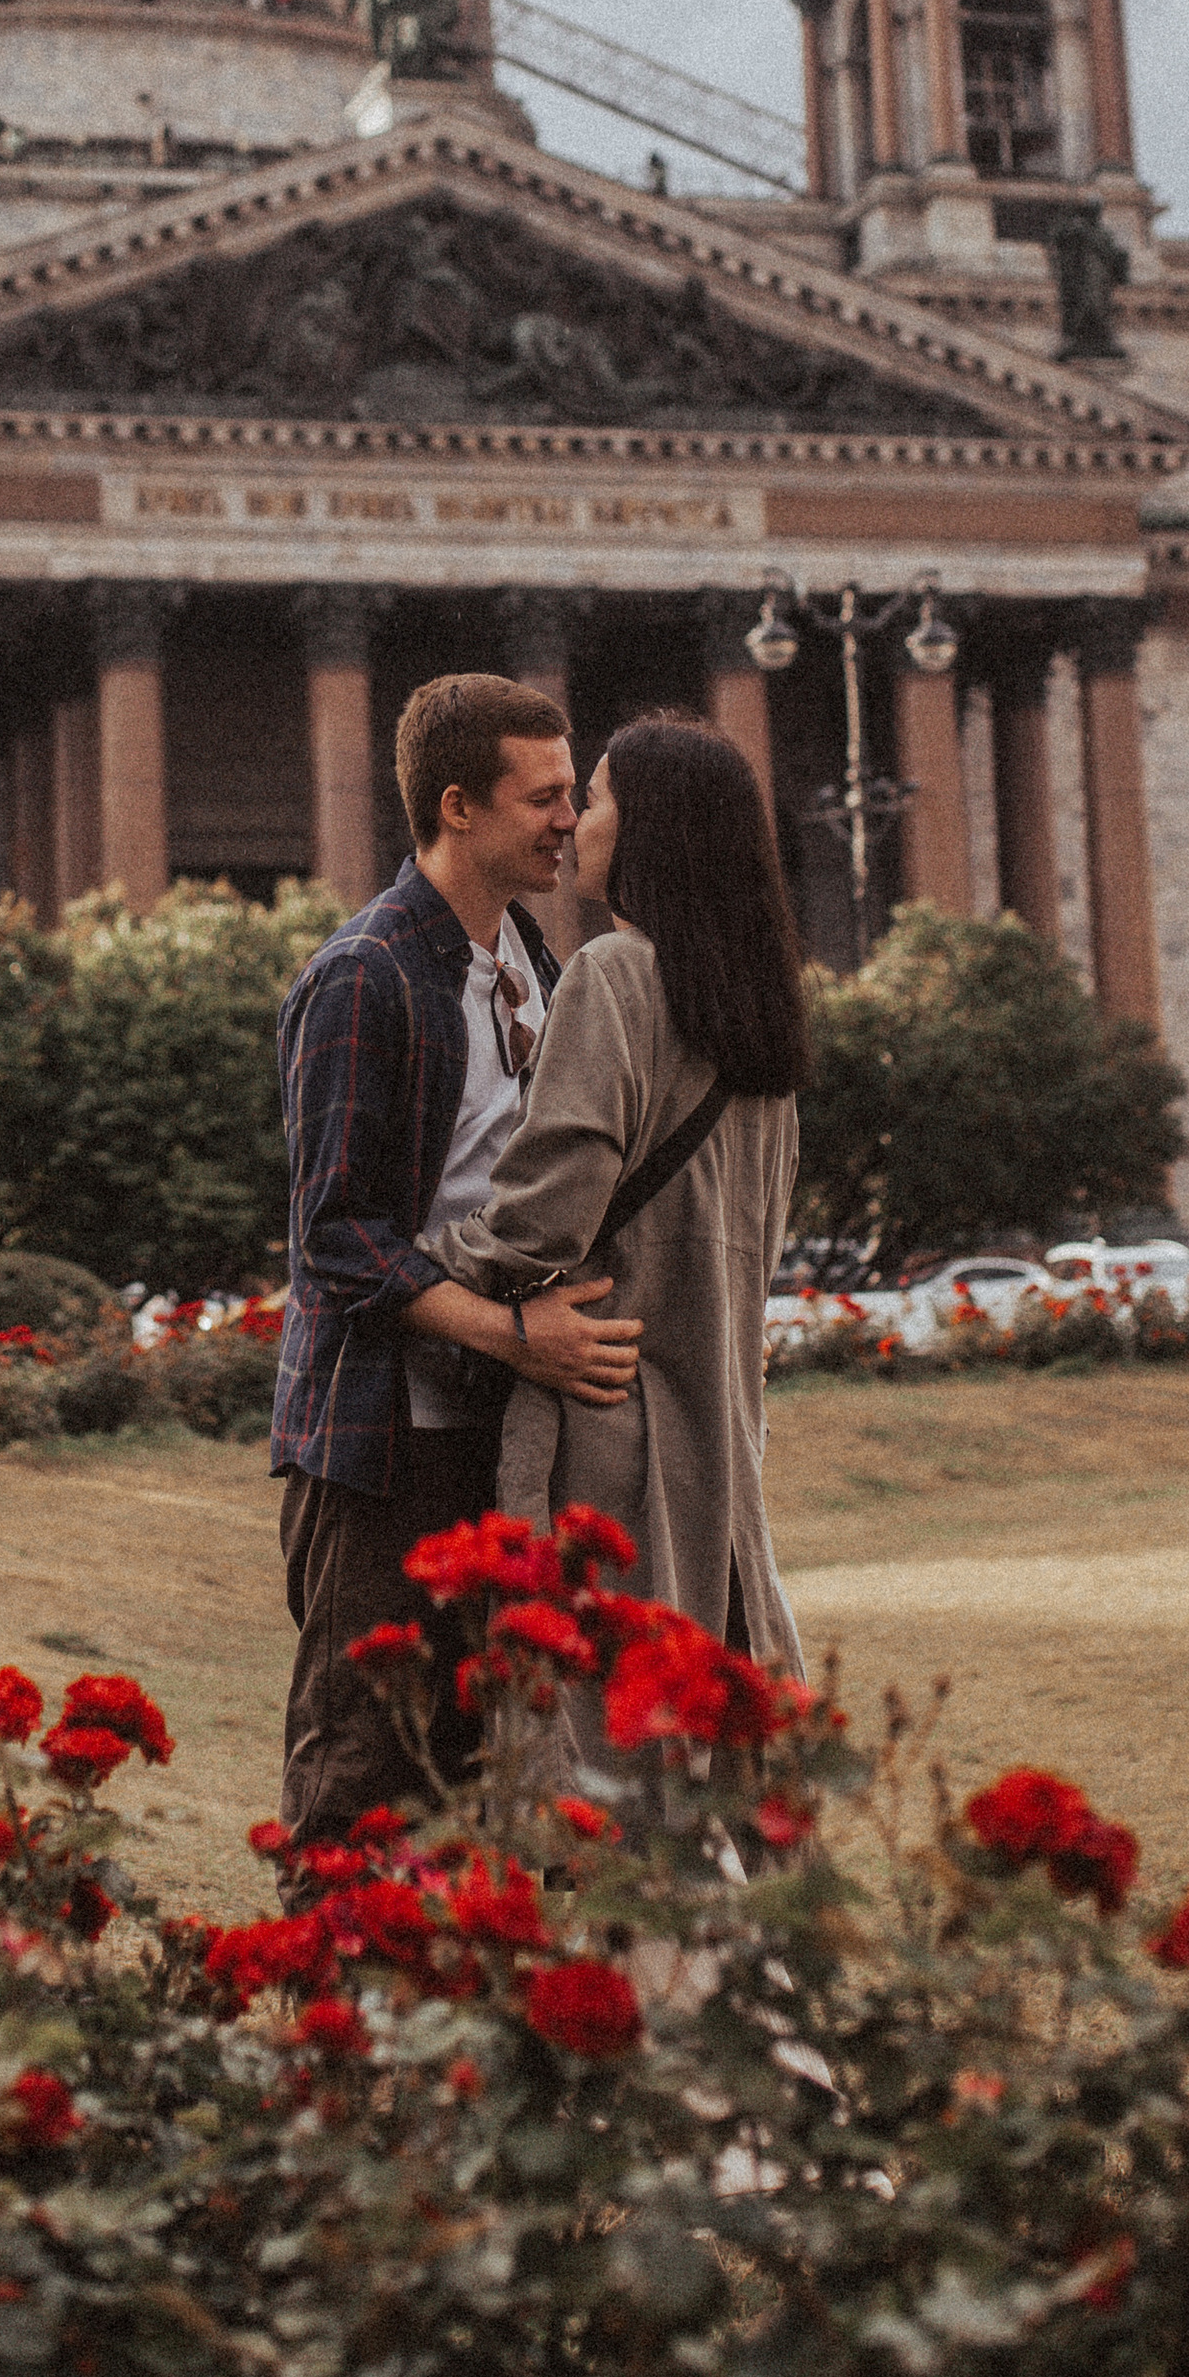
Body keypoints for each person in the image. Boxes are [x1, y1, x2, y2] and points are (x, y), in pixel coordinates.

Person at [272, 673, 644, 1838]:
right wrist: (512, 1336)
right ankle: (322, 2010)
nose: (567, 822)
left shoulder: (528, 953)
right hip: (385, 1451)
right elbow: (336, 1239)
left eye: (571, 795)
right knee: (361, 1779)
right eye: (539, 799)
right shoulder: (364, 972)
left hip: (493, 1444)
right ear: (455, 807)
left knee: (481, 1778)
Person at [429, 710, 812, 1777]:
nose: (572, 822)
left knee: (611, 1780)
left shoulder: (612, 974)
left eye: (592, 797)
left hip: (615, 1432)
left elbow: (543, 1212)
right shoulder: (758, 1012)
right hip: (724, 1443)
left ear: (649, 831)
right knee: (716, 1774)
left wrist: (430, 1261)